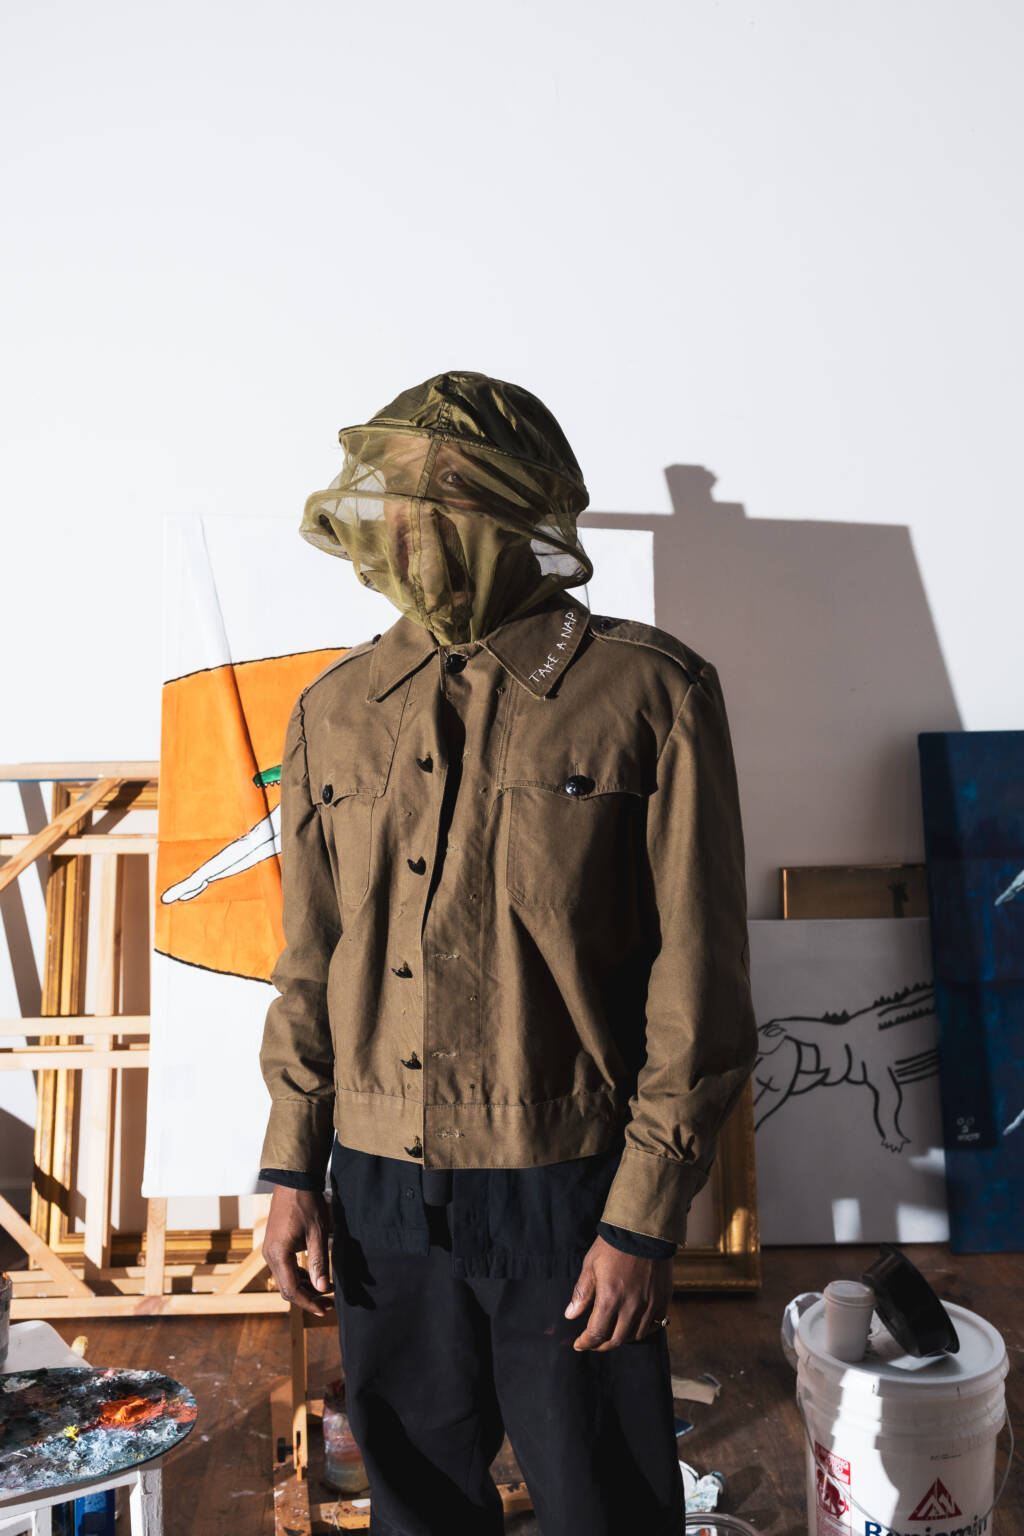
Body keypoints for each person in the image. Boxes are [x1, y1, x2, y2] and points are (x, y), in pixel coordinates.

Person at [258, 370, 758, 1535]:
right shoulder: (334, 709)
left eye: (453, 504)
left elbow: (699, 981)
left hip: (564, 1187)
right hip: (377, 1188)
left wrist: (639, 1219)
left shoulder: (650, 693)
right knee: (415, 1502)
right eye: (402, 503)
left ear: (519, 512)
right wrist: (291, 1167)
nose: (417, 532)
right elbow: (311, 961)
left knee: (601, 1501)